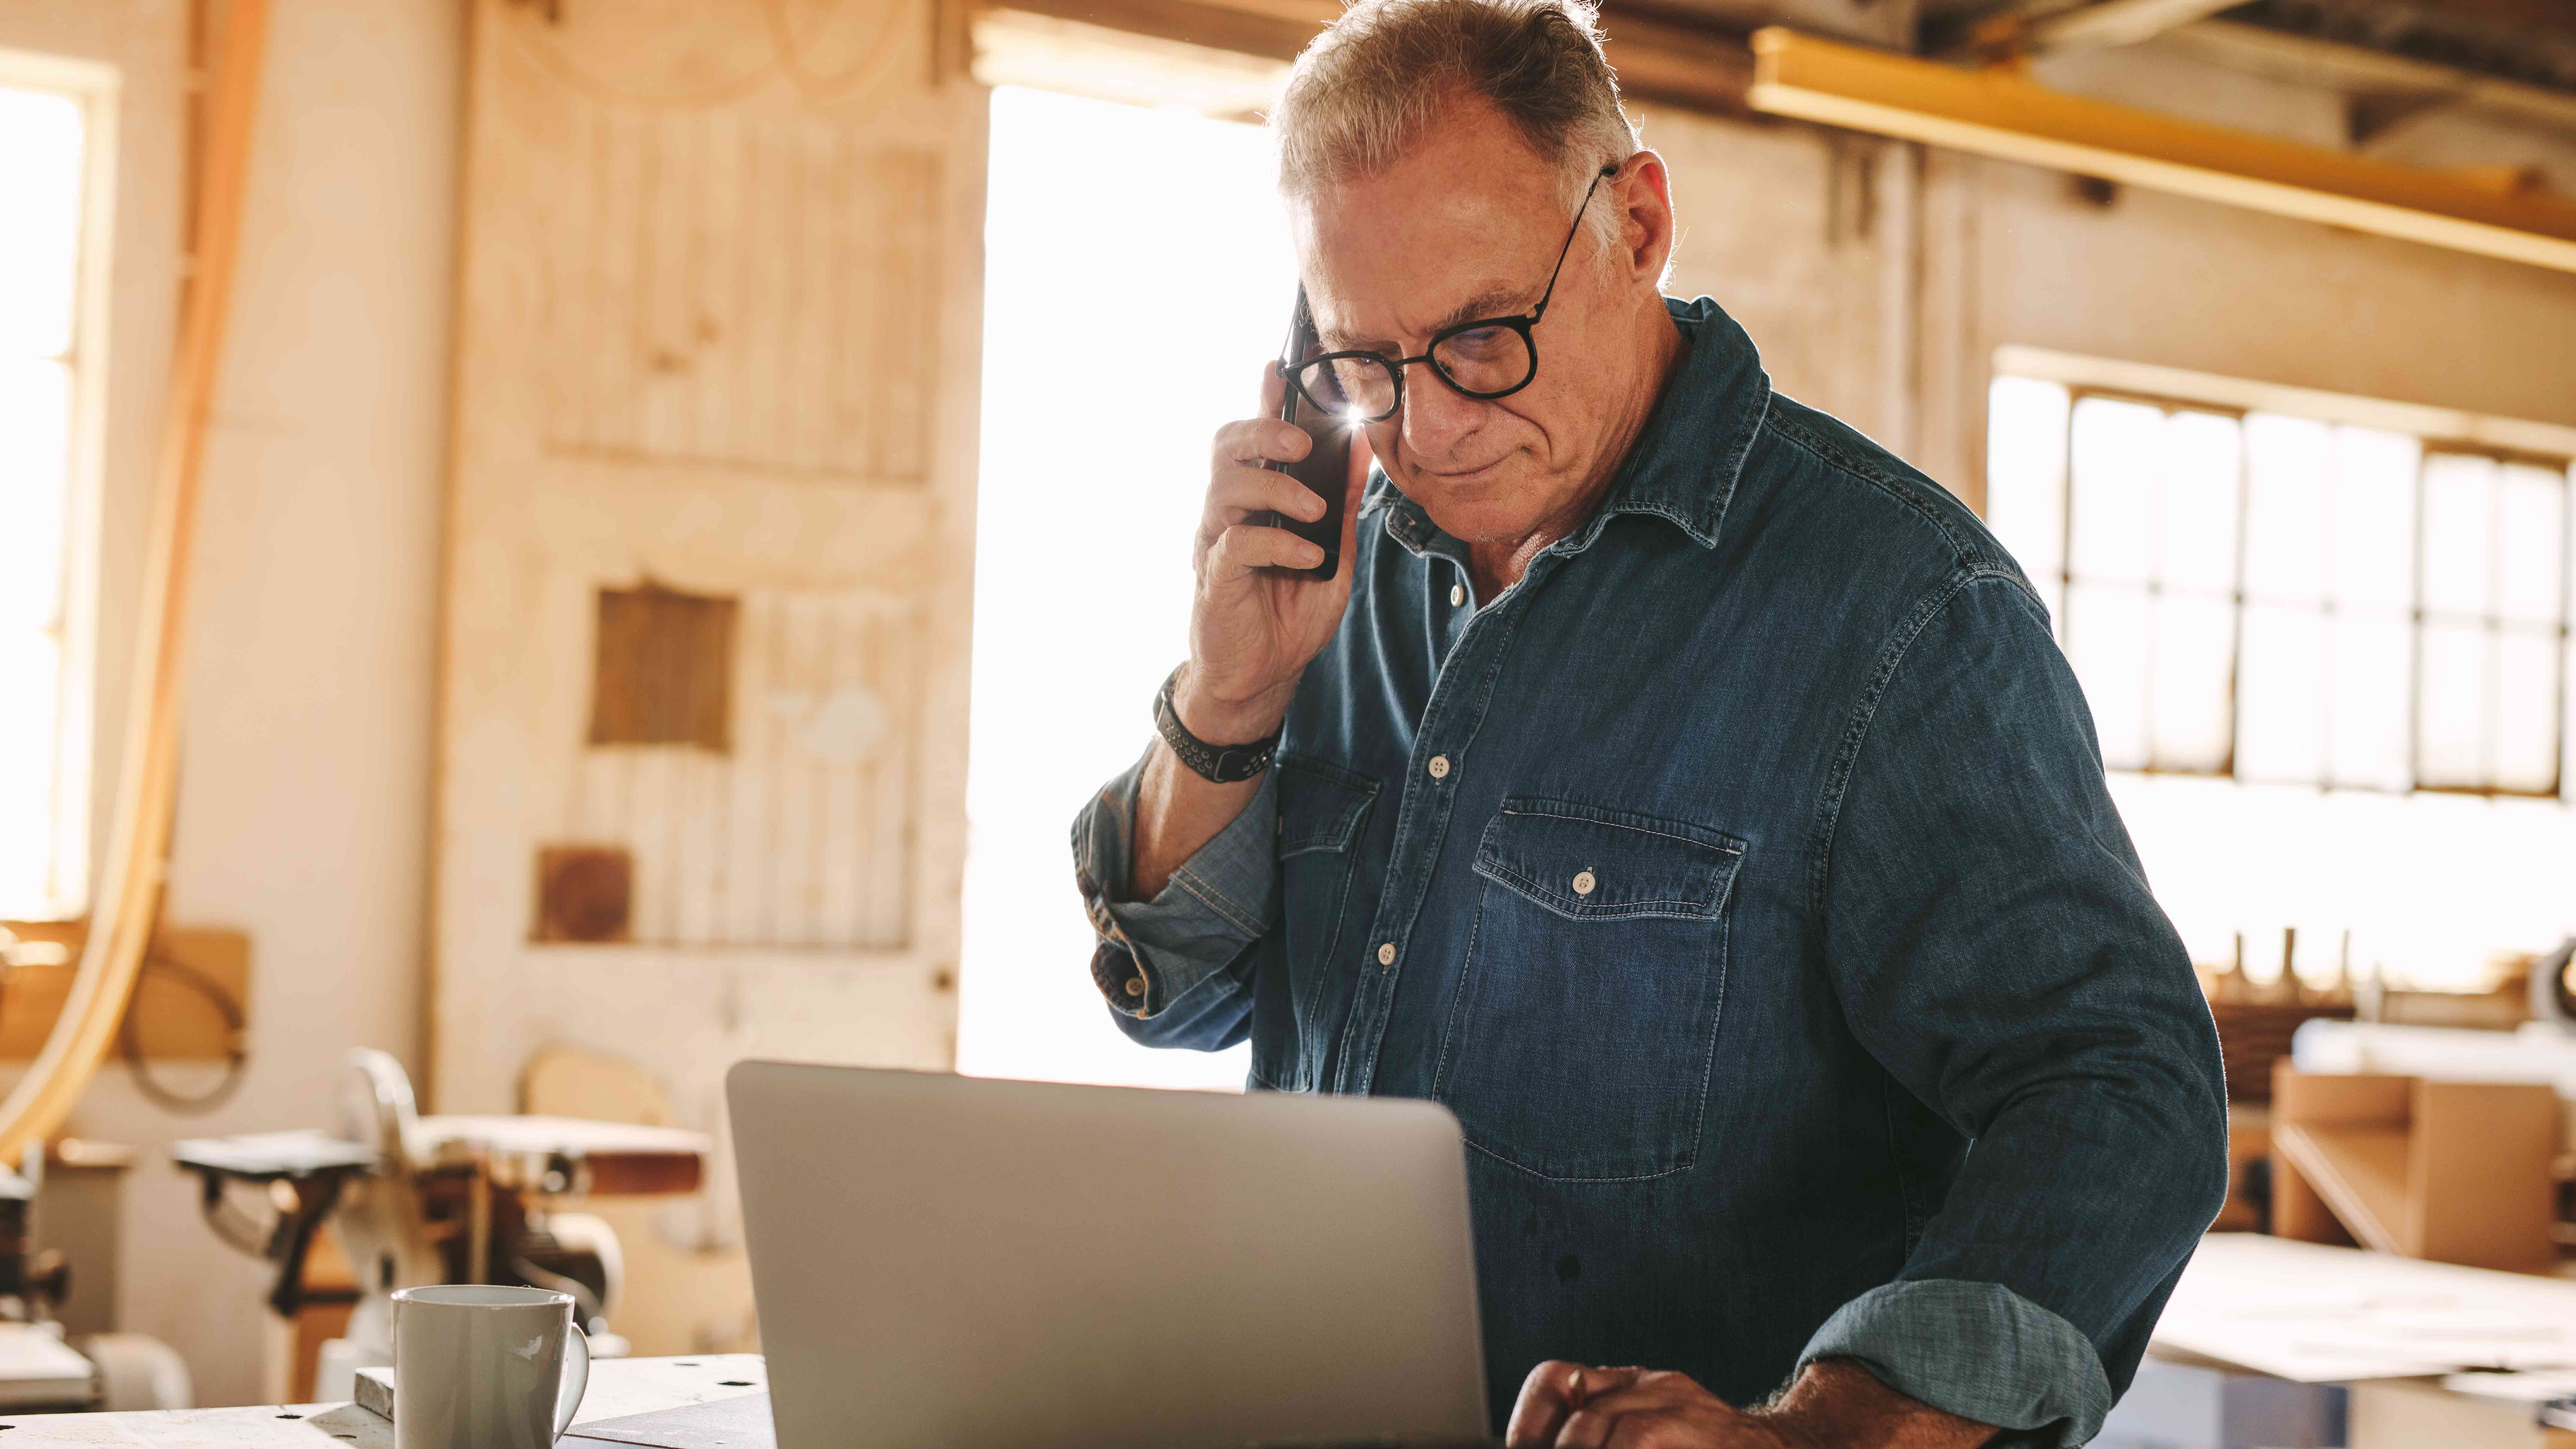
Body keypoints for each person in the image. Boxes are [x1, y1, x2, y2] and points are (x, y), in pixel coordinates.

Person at [1067, 0, 2228, 1442]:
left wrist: (1826, 1428)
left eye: (1483, 337)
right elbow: (1178, 995)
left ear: (1637, 220)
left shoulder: (1899, 614)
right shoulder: (1339, 566)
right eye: (1363, 364)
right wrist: (1226, 703)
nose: (1429, 429)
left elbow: (2120, 1087)